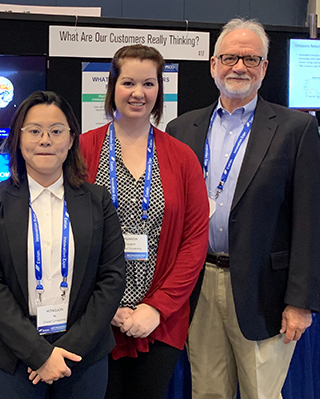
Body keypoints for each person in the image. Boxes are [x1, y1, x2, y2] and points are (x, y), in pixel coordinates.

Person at [166, 18, 320, 399]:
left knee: (261, 394)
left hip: (265, 293)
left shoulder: (295, 129)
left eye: (251, 59)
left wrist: (300, 302)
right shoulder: (181, 129)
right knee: (207, 391)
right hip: (199, 283)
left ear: (265, 68)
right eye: (230, 57)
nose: (239, 67)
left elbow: (310, 222)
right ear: (213, 65)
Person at [0, 90, 126, 399]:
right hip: (12, 355)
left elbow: (112, 279)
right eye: (34, 131)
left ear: (71, 140)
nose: (45, 140)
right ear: (18, 138)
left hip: (82, 355)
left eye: (56, 131)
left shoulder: (98, 201)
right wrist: (39, 353)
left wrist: (66, 351)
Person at [80, 45, 209, 398]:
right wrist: (103, 305)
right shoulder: (81, 151)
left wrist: (157, 308)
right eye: (129, 83)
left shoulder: (182, 157)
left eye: (149, 84)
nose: (138, 93)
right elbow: (68, 235)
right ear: (112, 87)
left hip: (159, 320)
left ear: (159, 92)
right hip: (94, 317)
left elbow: (195, 241)